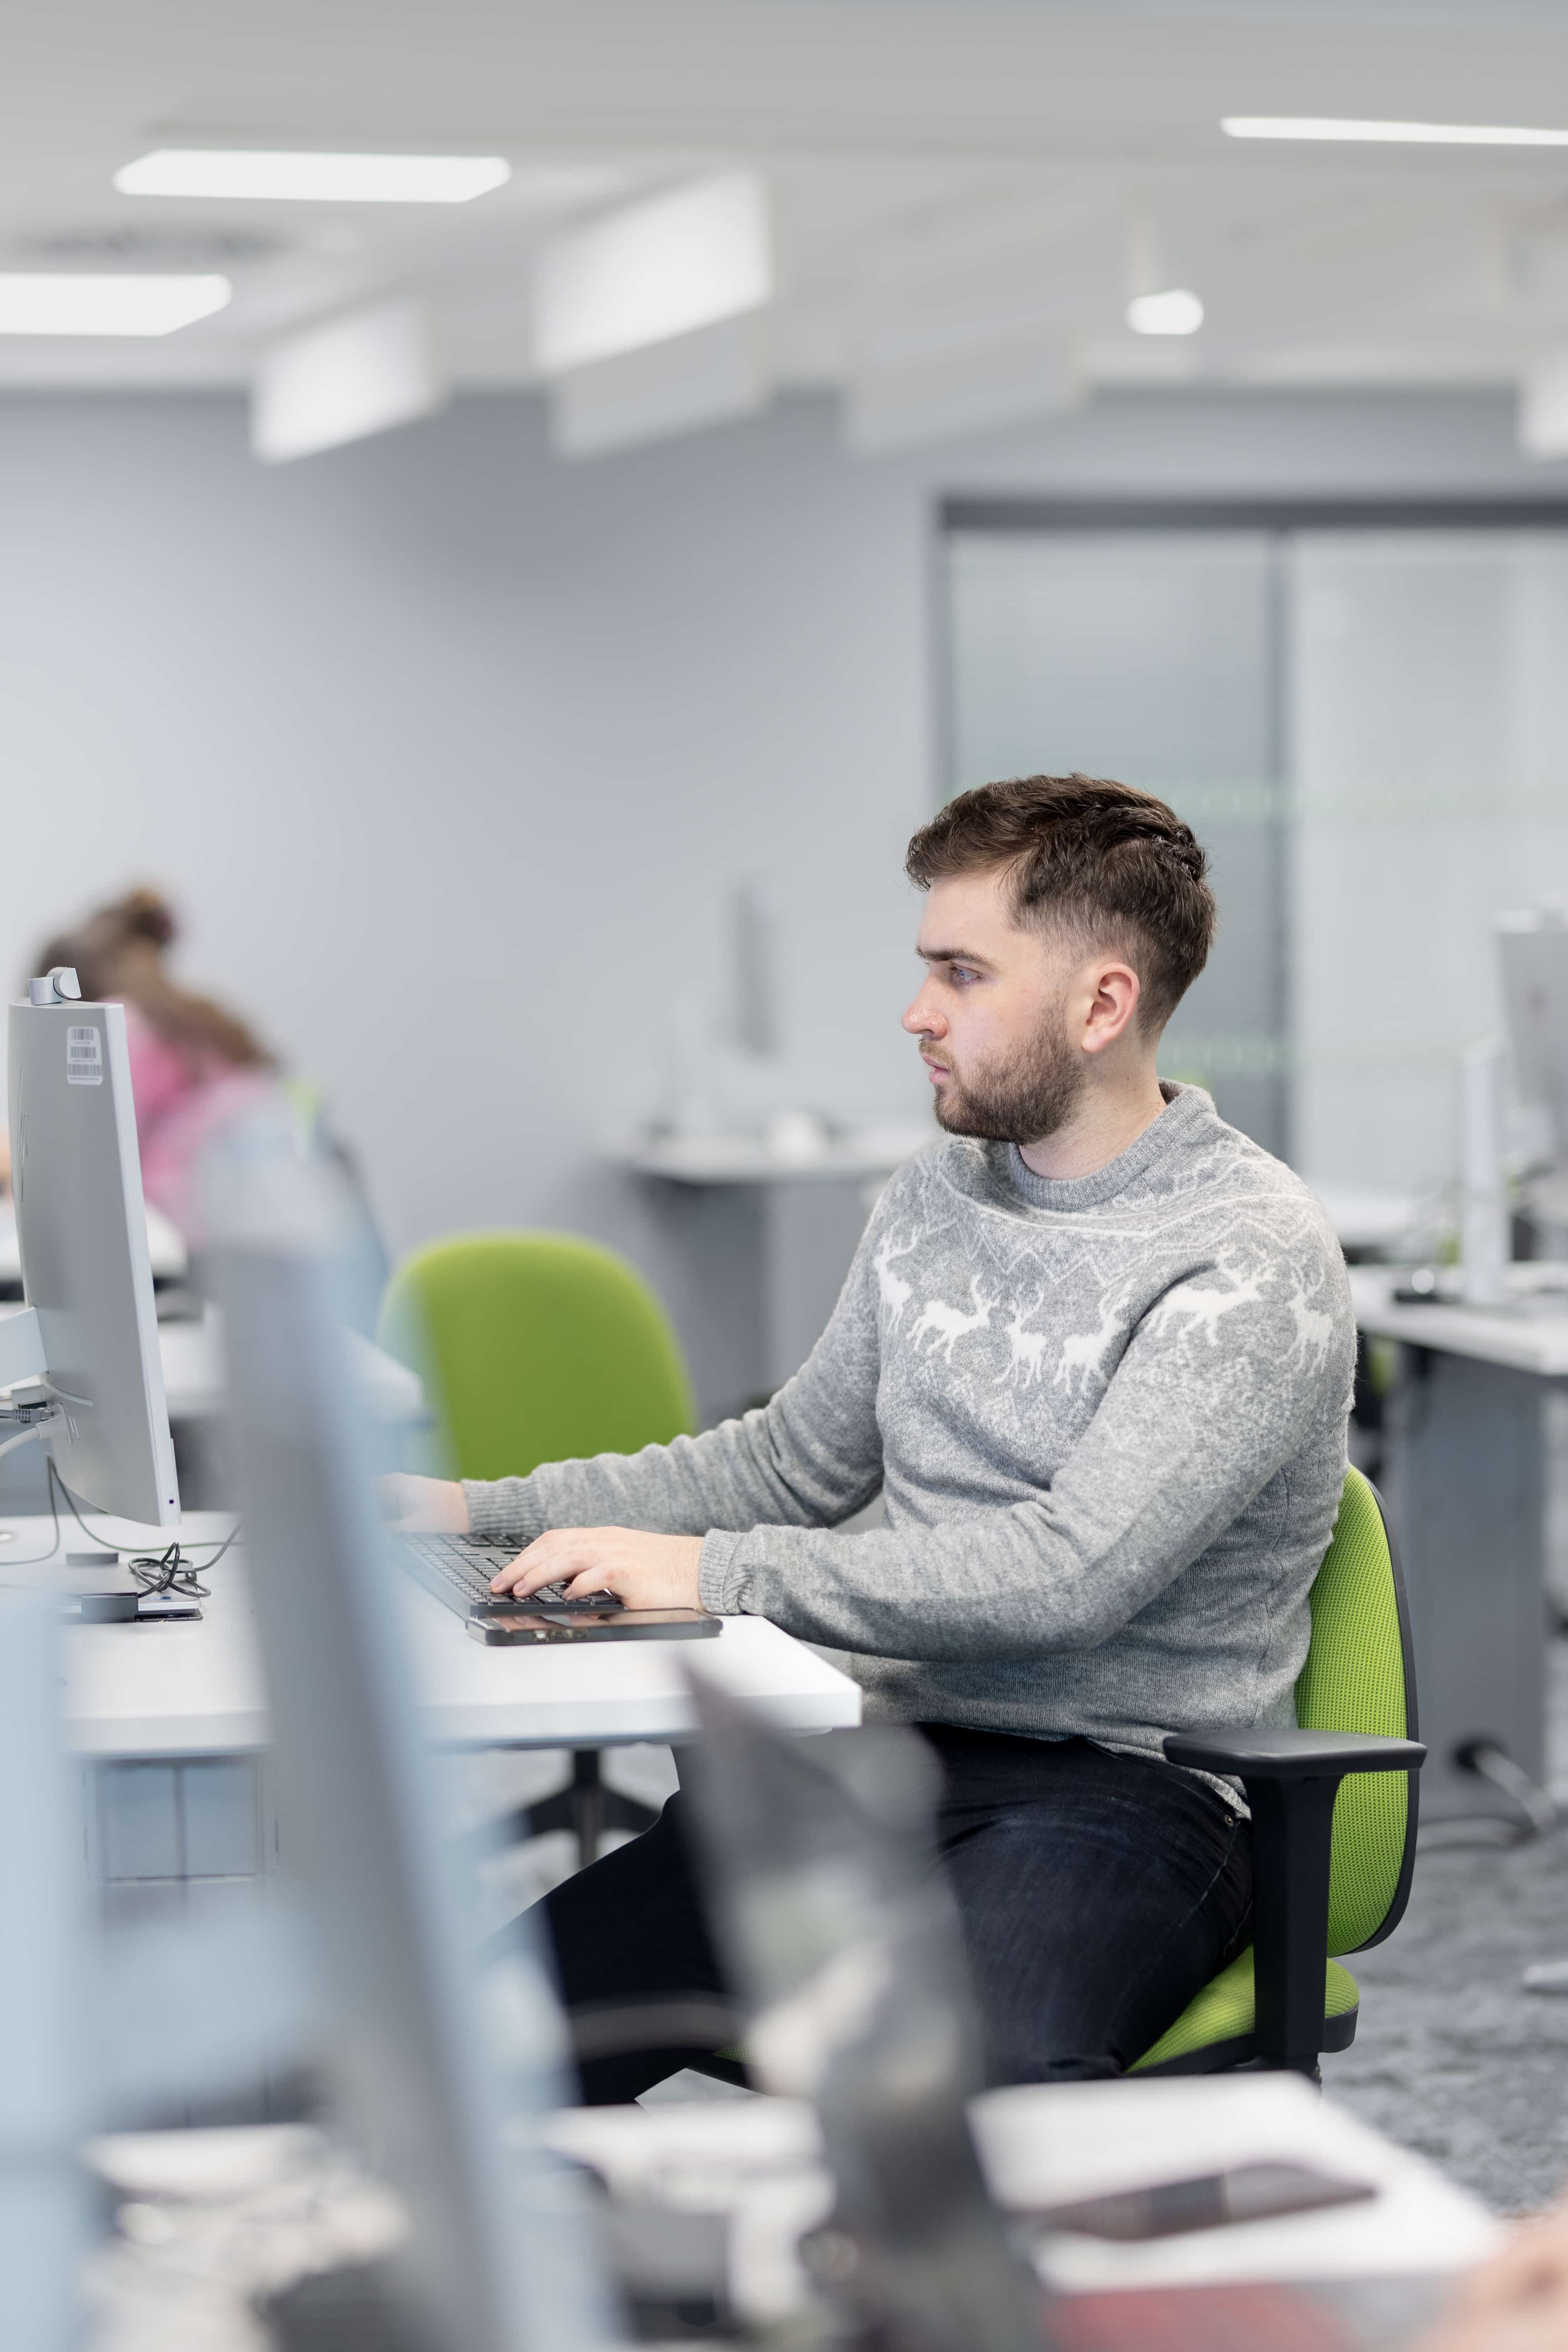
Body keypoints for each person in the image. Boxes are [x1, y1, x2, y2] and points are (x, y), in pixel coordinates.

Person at [390, 774, 1356, 2099]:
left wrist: (720, 1576)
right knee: (471, 2055)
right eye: (926, 970)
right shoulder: (934, 1194)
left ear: (1102, 1005)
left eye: (962, 974)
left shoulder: (1247, 1255)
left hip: (1136, 1789)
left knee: (967, 2094)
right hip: (878, 1760)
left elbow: (1072, 1575)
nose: (918, 1015)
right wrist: (469, 1509)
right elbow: (789, 1464)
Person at [30, 887, 278, 1237]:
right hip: (259, 1227)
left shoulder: (123, 1027)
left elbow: (92, 1159)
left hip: (193, 1231)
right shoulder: (194, 1016)